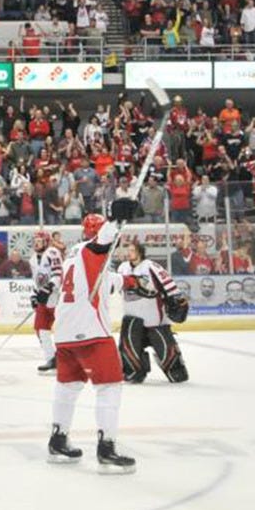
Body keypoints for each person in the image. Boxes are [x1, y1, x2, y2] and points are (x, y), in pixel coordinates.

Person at [46, 199, 139, 475]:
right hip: (91, 331)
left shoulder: (73, 256)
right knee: (110, 386)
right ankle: (107, 447)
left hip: (63, 331)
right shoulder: (93, 250)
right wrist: (115, 219)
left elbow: (109, 280)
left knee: (69, 385)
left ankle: (58, 439)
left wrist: (131, 281)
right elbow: (103, 243)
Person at [117, 241, 189, 384]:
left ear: (140, 252)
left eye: (132, 249)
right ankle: (135, 371)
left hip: (154, 320)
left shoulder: (151, 266)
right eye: (128, 249)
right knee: (130, 359)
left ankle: (175, 368)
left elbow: (168, 283)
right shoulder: (122, 268)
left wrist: (175, 298)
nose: (128, 252)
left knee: (177, 374)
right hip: (132, 318)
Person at [30, 232, 64, 373]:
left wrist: (49, 288)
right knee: (40, 328)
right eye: (35, 240)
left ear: (46, 242)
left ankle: (66, 359)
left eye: (40, 241)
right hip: (44, 299)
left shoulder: (52, 252)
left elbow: (58, 274)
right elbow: (36, 280)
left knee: (63, 329)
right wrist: (34, 294)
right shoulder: (32, 259)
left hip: (57, 297)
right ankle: (51, 359)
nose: (37, 243)